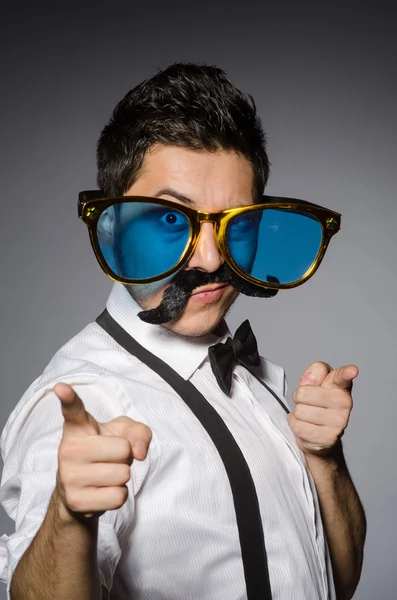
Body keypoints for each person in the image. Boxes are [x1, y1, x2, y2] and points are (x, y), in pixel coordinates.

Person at [0, 63, 366, 600]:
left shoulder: (251, 380)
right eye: (173, 219)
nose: (213, 257)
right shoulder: (87, 400)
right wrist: (68, 516)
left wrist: (324, 460)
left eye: (235, 222)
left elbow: (337, 581)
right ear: (115, 225)